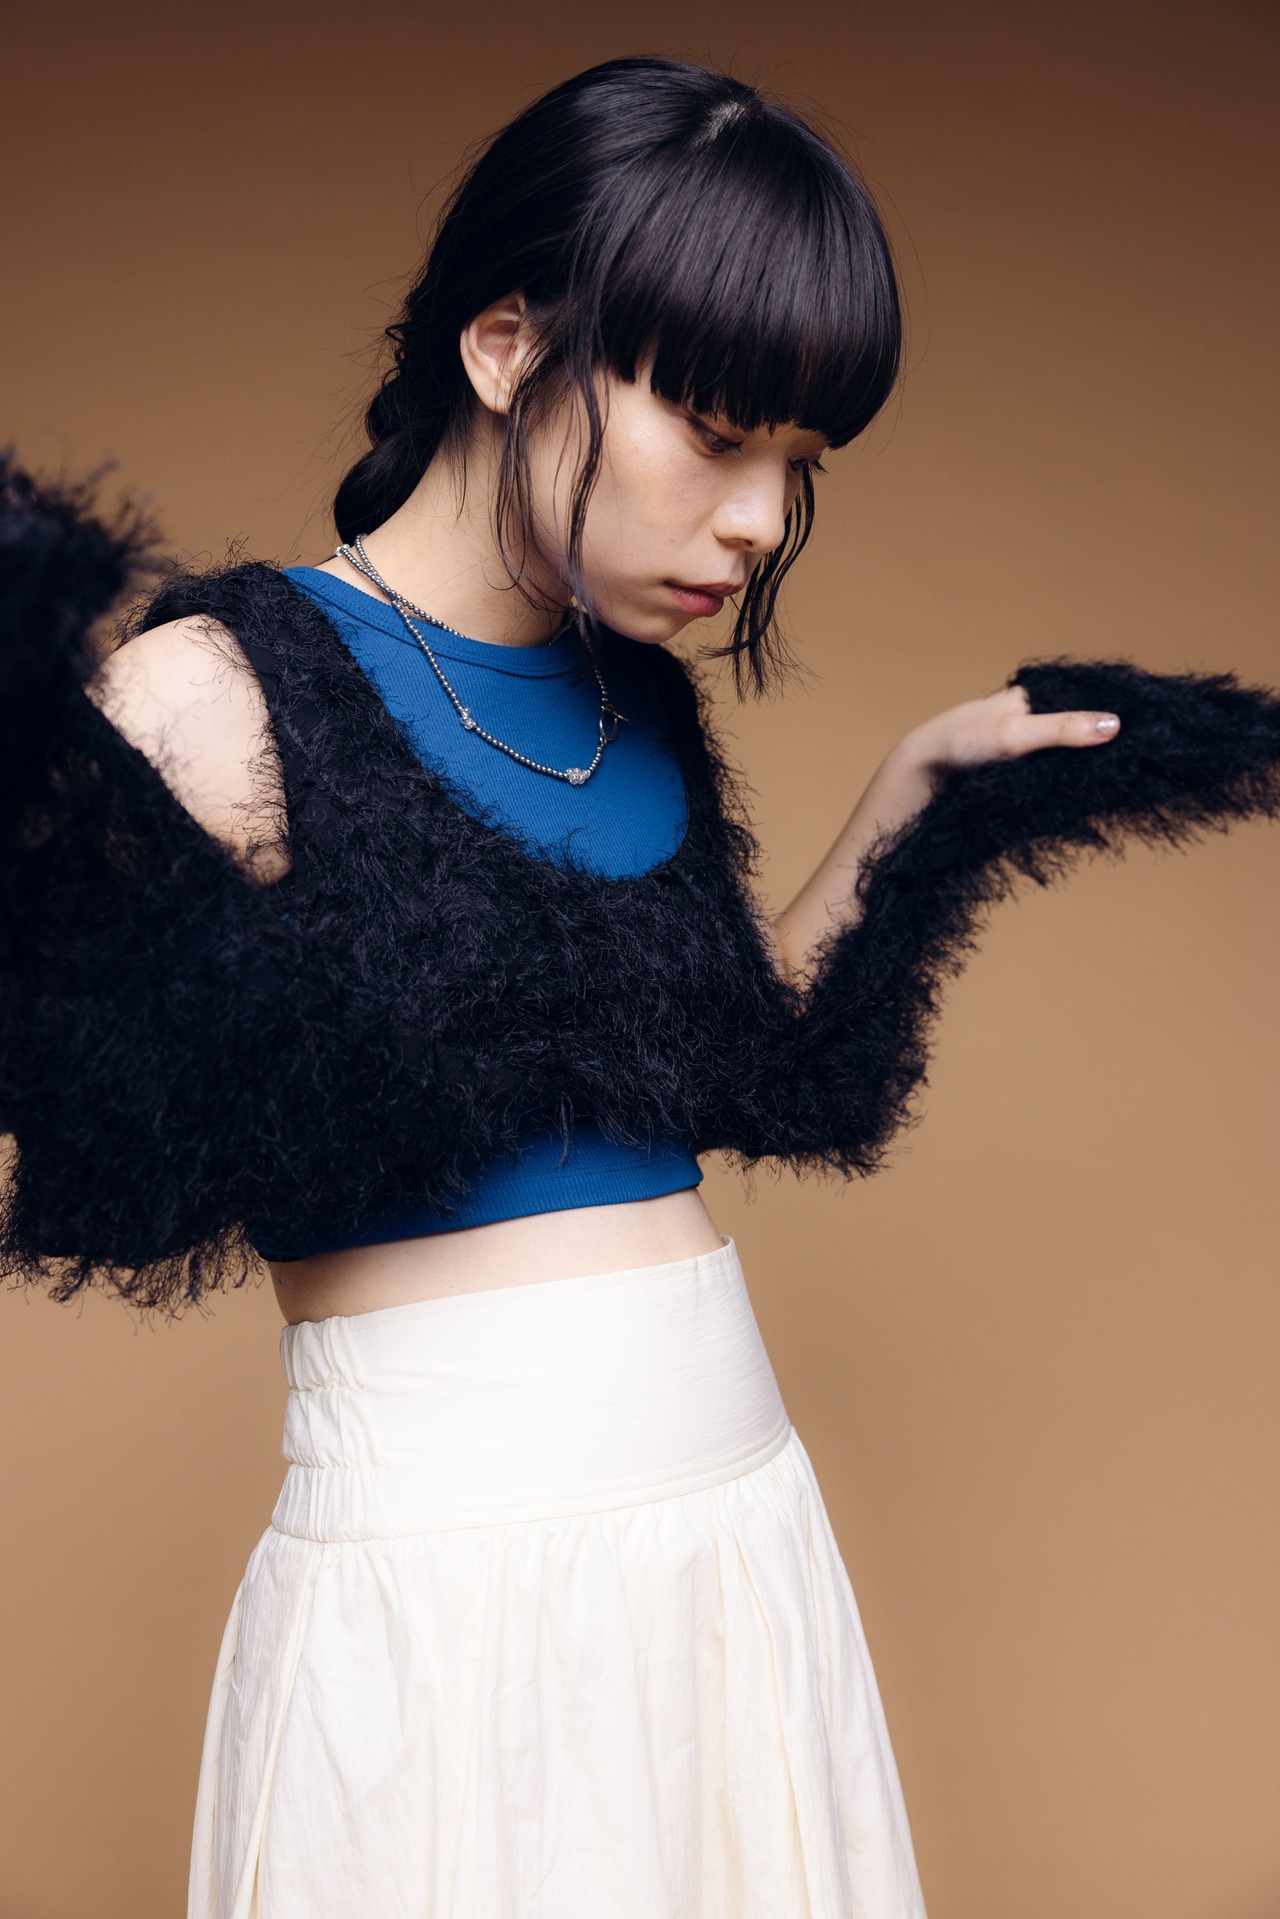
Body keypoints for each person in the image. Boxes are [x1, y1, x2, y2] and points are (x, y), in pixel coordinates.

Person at [3, 54, 1277, 1919]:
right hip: (447, 1588)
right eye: (721, 433)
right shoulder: (220, 689)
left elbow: (708, 1062)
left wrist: (920, 796)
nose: (759, 520)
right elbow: (83, 1098)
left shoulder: (633, 700)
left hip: (735, 1539)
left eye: (800, 467)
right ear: (506, 348)